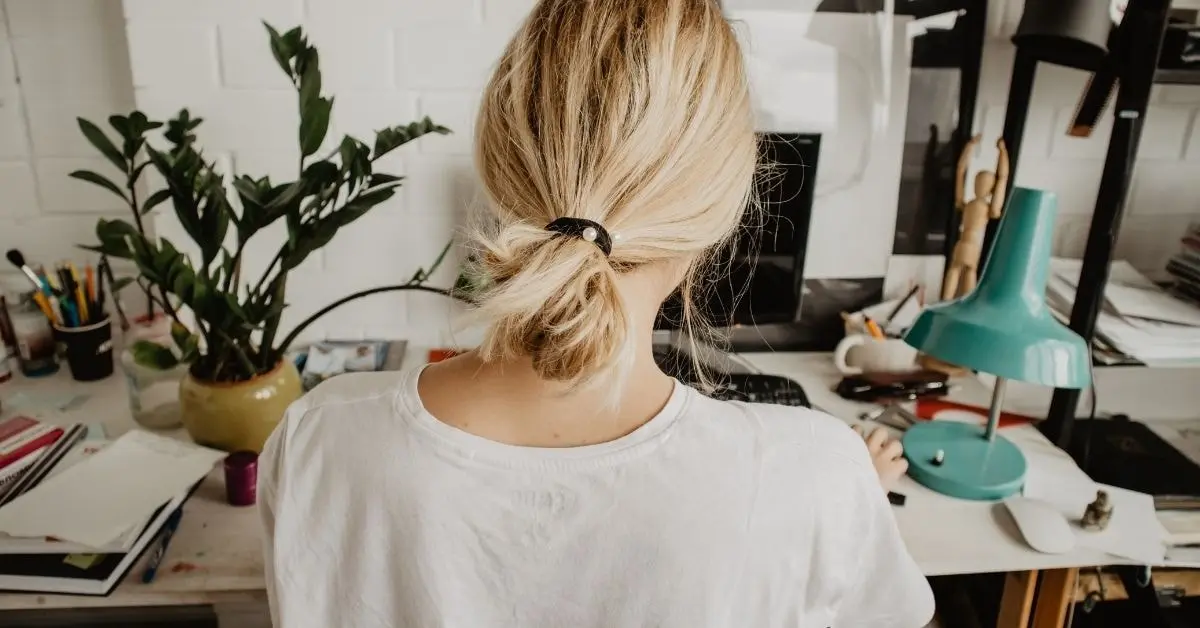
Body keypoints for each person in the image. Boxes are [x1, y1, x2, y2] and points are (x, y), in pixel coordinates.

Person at [258, 1, 934, 626]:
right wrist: (843, 506)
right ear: (718, 214)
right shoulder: (816, 476)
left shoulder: (316, 439)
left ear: (498, 168)